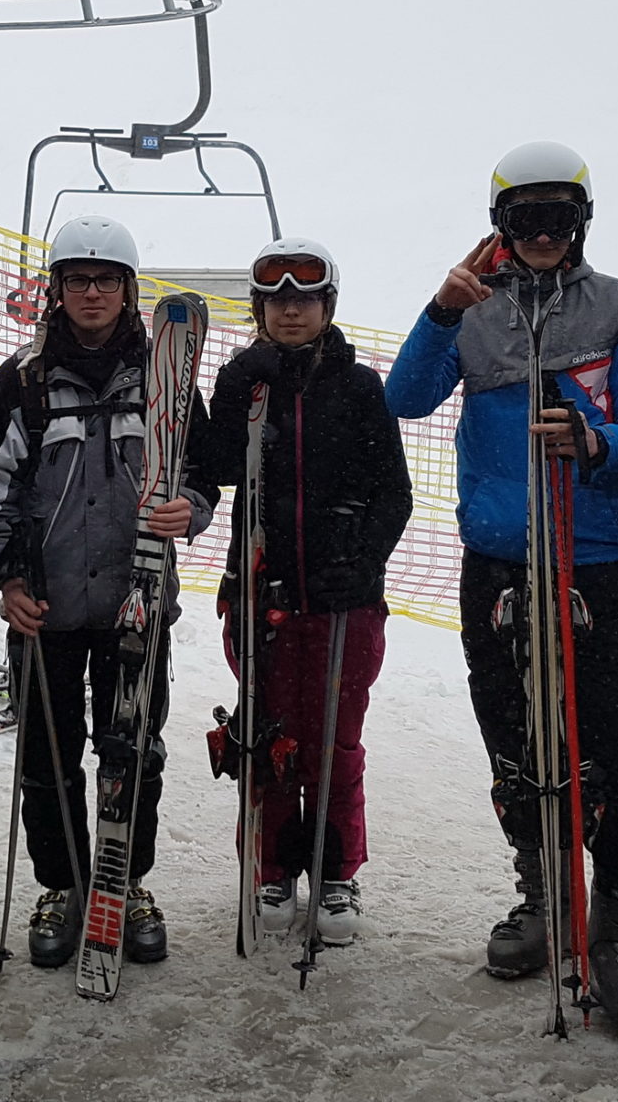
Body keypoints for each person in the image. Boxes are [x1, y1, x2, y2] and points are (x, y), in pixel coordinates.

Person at [381, 140, 618, 1038]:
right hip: (501, 562)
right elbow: (405, 399)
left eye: (560, 216)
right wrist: (440, 311)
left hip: (598, 563)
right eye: (525, 218)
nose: (543, 233)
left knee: (615, 753)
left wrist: (596, 444)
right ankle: (547, 899)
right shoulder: (474, 311)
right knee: (517, 744)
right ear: (499, 223)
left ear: (583, 220)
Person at [0, 216, 215, 969]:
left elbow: (201, 472)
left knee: (132, 750)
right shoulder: (26, 376)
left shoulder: (165, 374)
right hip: (48, 604)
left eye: (106, 281)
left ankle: (123, 882)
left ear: (129, 291)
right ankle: (62, 886)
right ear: (57, 290)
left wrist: (189, 510)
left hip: (137, 600)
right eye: (78, 280)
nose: (92, 293)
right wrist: (7, 577)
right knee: (48, 751)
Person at [189, 237, 410, 945]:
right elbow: (217, 467)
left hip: (343, 597)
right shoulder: (244, 382)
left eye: (304, 298)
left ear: (327, 306)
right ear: (258, 309)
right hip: (262, 595)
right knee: (269, 734)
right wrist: (224, 392)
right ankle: (275, 869)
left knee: (335, 743)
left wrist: (366, 561)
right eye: (277, 300)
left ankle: (336, 871)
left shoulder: (359, 387)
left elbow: (394, 494)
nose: (291, 311)